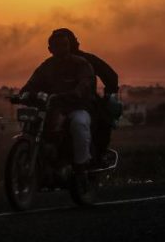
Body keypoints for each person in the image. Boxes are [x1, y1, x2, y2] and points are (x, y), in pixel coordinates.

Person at [19, 30, 96, 170]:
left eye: (64, 45)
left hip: (76, 107)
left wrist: (75, 93)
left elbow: (85, 83)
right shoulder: (46, 67)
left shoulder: (80, 64)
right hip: (52, 108)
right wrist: (23, 94)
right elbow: (30, 84)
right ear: (50, 49)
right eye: (57, 46)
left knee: (79, 124)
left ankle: (81, 166)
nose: (62, 49)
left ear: (69, 46)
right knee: (34, 127)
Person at [50, 28, 119, 159]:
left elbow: (111, 77)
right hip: (57, 105)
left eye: (63, 44)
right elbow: (36, 81)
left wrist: (107, 97)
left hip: (84, 104)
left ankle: (91, 161)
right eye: (57, 45)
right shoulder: (51, 64)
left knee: (99, 123)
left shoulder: (86, 61)